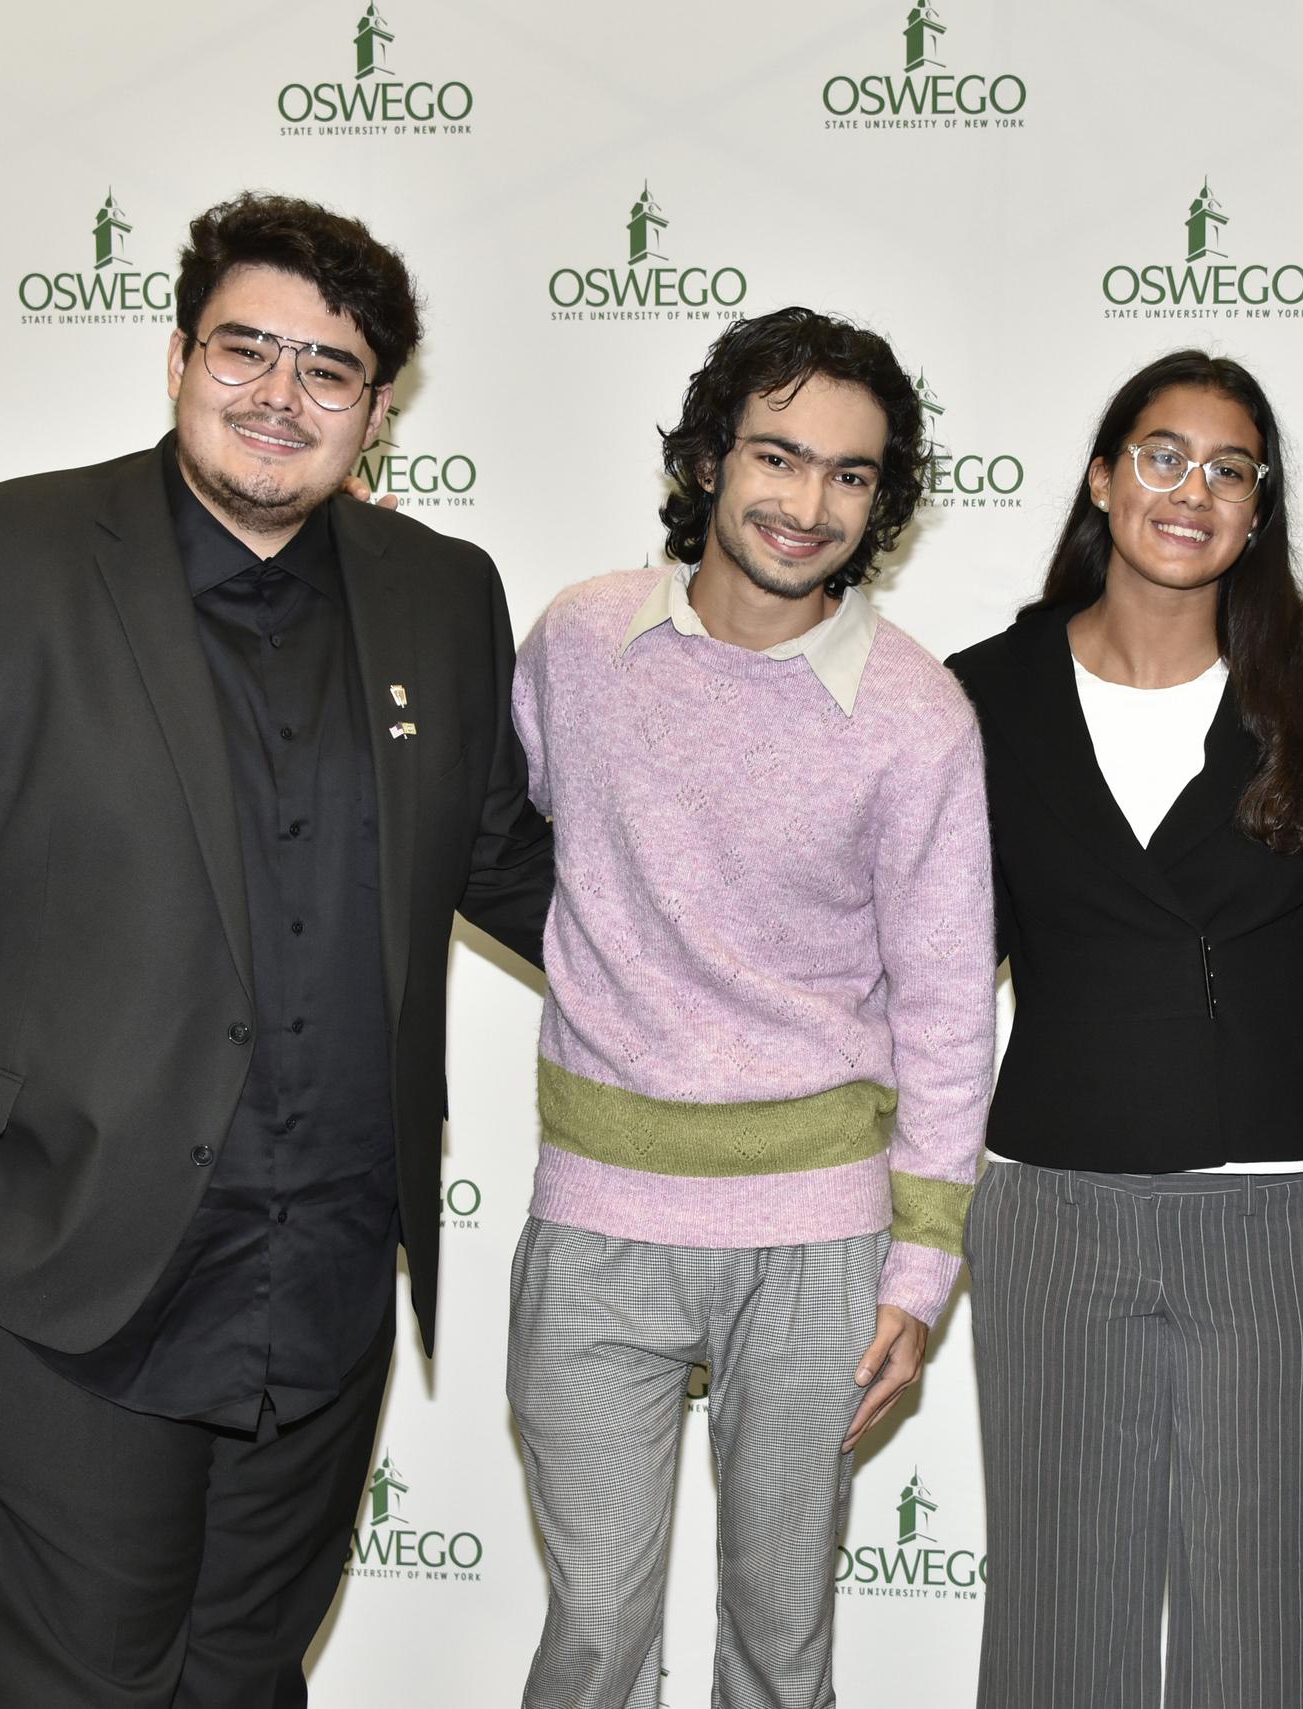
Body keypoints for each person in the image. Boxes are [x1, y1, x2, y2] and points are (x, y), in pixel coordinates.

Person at [0, 192, 553, 1708]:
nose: (280, 394)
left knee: (246, 1677)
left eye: (327, 369)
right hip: (49, 1266)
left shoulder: (441, 594)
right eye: (245, 350)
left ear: (376, 409)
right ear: (177, 359)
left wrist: (785, 938)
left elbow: (505, 864)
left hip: (322, 1277)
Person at [504, 306, 994, 1709]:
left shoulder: (915, 716)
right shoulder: (583, 642)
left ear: (882, 500)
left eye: (850, 474)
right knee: (593, 1634)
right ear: (714, 458)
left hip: (819, 1244)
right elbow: (494, 829)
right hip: (596, 1223)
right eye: (779, 457)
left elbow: (953, 1008)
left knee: (782, 1651)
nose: (806, 503)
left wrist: (920, 1267)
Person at [945, 351, 1303, 1709]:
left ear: (1259, 510)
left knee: (1273, 1637)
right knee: (1059, 1624)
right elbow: (948, 970)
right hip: (1055, 1202)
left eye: (1231, 468)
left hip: (1278, 1206)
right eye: (1161, 452)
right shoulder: (980, 691)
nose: (1192, 488)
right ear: (1102, 475)